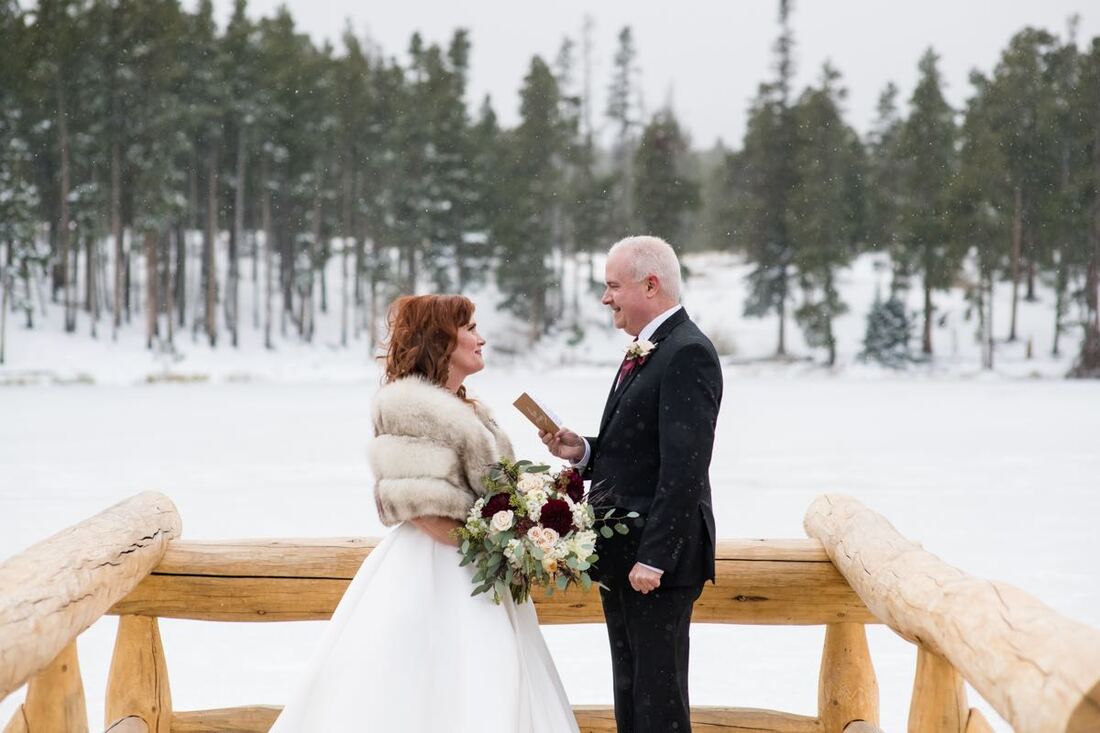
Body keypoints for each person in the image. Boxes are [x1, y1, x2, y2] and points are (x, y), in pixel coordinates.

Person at [269, 294, 579, 733]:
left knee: (494, 684)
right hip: (436, 569)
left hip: (479, 568)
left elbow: (493, 493)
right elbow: (425, 512)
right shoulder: (408, 408)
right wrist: (502, 541)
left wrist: (530, 525)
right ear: (440, 339)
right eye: (470, 328)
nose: (481, 338)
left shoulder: (471, 408)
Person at [542, 235, 722, 733]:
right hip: (626, 556)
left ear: (650, 284)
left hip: (656, 563)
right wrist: (584, 451)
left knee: (658, 703)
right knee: (631, 695)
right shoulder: (653, 347)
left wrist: (655, 557)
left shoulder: (688, 352)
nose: (606, 298)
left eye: (613, 286)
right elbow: (641, 451)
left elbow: (685, 468)